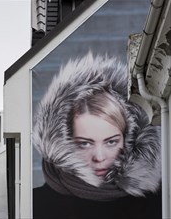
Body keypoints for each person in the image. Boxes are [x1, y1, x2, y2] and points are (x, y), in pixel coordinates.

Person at [32, 52, 162, 219]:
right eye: (85, 143)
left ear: (129, 140)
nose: (99, 157)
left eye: (111, 142)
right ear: (64, 143)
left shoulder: (160, 202)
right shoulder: (36, 206)